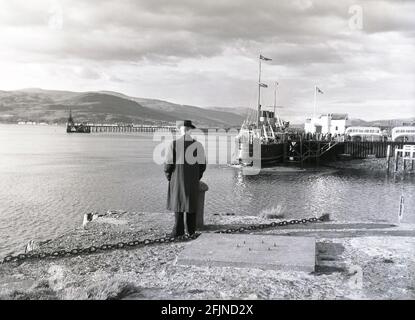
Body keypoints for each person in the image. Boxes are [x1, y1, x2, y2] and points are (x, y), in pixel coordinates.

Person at [164, 120, 206, 237]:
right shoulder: (198, 145)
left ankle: (178, 231)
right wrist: (196, 177)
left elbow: (168, 165)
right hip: (192, 180)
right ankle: (191, 231)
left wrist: (170, 177)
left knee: (178, 205)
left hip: (177, 180)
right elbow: (203, 166)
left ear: (179, 130)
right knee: (191, 205)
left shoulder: (174, 144)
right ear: (190, 130)